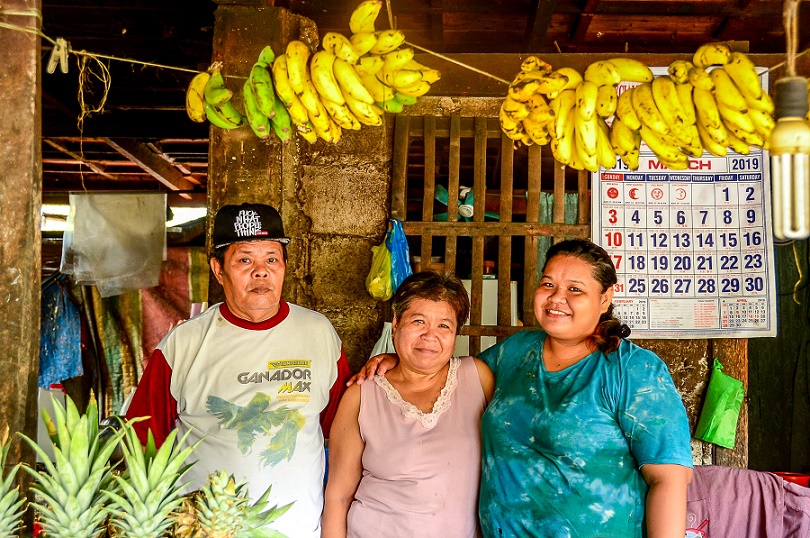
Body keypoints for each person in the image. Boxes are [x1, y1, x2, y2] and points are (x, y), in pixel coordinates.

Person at [352, 239, 694, 538]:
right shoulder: (515, 352)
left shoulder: (635, 371)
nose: (557, 298)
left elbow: (668, 480)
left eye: (575, 289)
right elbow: (443, 373)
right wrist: (398, 360)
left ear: (606, 298)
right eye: (548, 284)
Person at [125, 202, 350, 538]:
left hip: (298, 531)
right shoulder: (183, 345)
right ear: (218, 270)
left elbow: (346, 429)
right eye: (245, 260)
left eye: (271, 259)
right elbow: (142, 443)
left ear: (284, 266)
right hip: (209, 532)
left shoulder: (318, 333)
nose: (261, 272)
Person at [322, 270, 494, 538]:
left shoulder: (477, 378)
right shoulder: (362, 395)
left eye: (444, 326)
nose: (430, 335)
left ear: (456, 334)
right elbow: (338, 497)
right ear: (396, 324)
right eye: (418, 321)